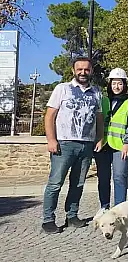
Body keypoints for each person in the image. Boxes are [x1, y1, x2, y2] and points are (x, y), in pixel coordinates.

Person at [42, 56, 104, 233]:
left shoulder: (96, 92)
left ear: (91, 71)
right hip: (64, 143)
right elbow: (50, 116)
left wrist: (99, 138)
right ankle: (48, 219)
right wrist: (51, 139)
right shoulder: (63, 89)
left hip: (86, 145)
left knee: (78, 183)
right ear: (73, 71)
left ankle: (72, 216)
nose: (83, 72)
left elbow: (99, 119)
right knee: (55, 183)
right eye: (80, 69)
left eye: (86, 69)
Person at [95, 68, 128, 210]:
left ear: (124, 85)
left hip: (120, 145)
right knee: (103, 178)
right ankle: (104, 207)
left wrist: (126, 143)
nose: (116, 87)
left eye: (119, 83)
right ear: (110, 84)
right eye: (114, 83)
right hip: (103, 144)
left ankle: (119, 208)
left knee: (119, 177)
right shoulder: (104, 100)